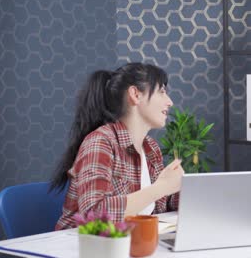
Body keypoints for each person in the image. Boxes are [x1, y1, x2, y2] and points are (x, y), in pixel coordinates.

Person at [51, 62, 184, 230]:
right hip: (83, 247)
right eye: (162, 92)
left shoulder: (151, 147)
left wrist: (188, 190)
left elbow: (163, 204)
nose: (170, 102)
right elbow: (94, 215)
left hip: (130, 243)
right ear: (136, 94)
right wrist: (160, 188)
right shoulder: (100, 142)